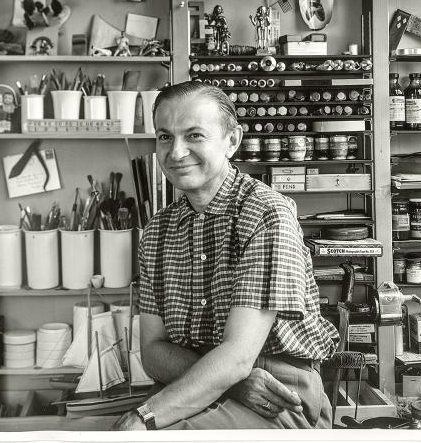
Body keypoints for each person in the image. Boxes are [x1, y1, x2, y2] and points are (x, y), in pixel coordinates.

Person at [113, 81, 339, 431]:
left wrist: (145, 416)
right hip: (204, 383)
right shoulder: (157, 231)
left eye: (194, 136)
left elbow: (237, 357)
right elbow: (153, 352)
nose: (175, 152)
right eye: (164, 137)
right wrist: (231, 381)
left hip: (276, 394)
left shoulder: (265, 214)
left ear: (232, 141)